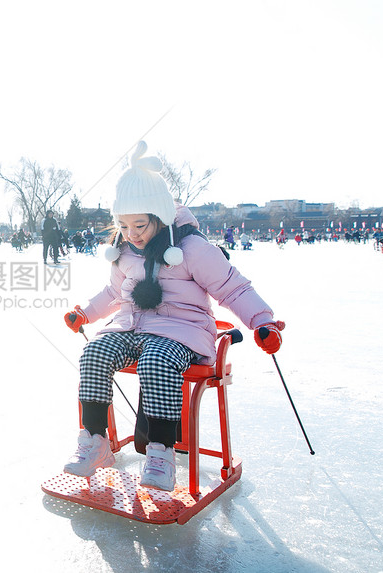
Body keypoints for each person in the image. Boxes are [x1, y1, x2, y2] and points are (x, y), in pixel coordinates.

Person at [62, 141, 284, 491]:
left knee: (156, 360)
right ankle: (94, 441)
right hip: (132, 325)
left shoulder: (192, 248)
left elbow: (233, 287)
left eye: (140, 225)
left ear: (160, 217)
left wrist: (262, 322)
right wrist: (85, 313)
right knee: (94, 354)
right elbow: (113, 293)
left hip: (182, 331)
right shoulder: (123, 251)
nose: (132, 235)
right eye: (123, 225)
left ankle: (161, 452)